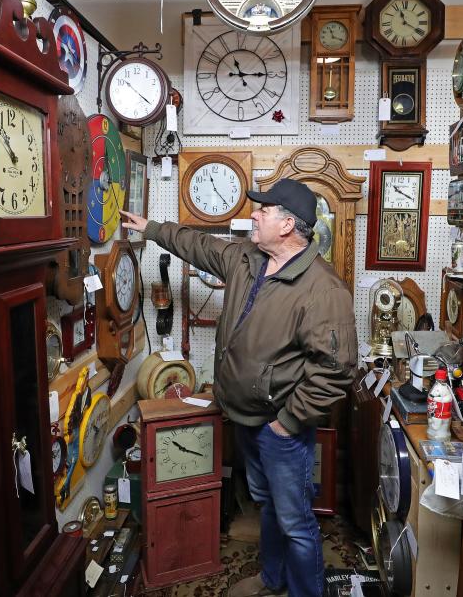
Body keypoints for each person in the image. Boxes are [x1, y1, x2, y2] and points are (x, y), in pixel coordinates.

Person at [121, 178, 358, 597]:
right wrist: (152, 228)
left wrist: (287, 422)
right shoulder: (247, 258)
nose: (254, 213)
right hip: (243, 416)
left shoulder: (324, 290)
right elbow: (199, 246)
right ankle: (272, 579)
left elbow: (335, 371)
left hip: (280, 427)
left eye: (263, 210)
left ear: (287, 225)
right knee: (267, 504)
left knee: (296, 524)